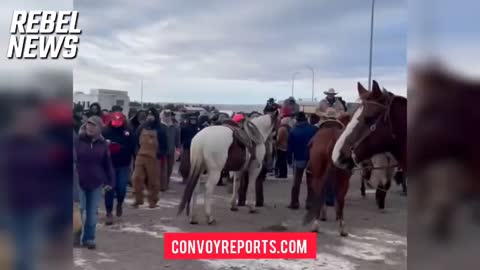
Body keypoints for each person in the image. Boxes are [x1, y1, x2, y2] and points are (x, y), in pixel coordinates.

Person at [75, 116, 114, 249]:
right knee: (78, 210)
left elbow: (107, 164)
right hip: (78, 181)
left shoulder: (103, 144)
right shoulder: (77, 140)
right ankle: (75, 238)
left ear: (100, 128)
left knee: (92, 213)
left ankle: (89, 238)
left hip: (96, 182)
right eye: (88, 125)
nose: (90, 127)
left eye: (94, 125)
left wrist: (110, 181)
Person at [102, 112, 135, 225]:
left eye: (119, 123)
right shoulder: (105, 132)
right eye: (114, 123)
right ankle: (109, 213)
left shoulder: (128, 132)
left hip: (123, 164)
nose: (116, 125)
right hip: (109, 164)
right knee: (109, 189)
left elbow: (133, 146)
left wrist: (122, 148)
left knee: (121, 188)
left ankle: (120, 203)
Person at [131, 108, 166, 208]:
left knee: (153, 181)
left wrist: (160, 154)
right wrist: (136, 152)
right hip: (141, 156)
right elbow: (135, 140)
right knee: (136, 178)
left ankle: (153, 201)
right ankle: (138, 199)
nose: (150, 117)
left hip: (154, 158)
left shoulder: (160, 129)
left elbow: (164, 145)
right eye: (148, 115)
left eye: (152, 115)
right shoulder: (141, 127)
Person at [287, 112, 318, 210]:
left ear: (296, 120)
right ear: (305, 119)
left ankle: (294, 203)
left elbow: (289, 148)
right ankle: (310, 203)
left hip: (298, 158)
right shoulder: (314, 129)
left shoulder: (293, 131)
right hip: (311, 159)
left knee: (296, 182)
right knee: (311, 182)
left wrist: (289, 160)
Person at [160, 110, 179, 191]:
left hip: (171, 151)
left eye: (169, 115)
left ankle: (166, 184)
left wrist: (178, 149)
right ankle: (162, 186)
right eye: (166, 114)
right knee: (162, 169)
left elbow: (177, 138)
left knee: (170, 168)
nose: (167, 116)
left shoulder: (175, 127)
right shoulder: (159, 125)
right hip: (161, 151)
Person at [179, 116, 200, 183]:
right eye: (191, 120)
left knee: (194, 164)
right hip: (186, 148)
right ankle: (185, 178)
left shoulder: (197, 129)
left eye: (194, 120)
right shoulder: (184, 128)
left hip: (195, 148)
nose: (193, 121)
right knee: (185, 164)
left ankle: (192, 178)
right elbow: (181, 138)